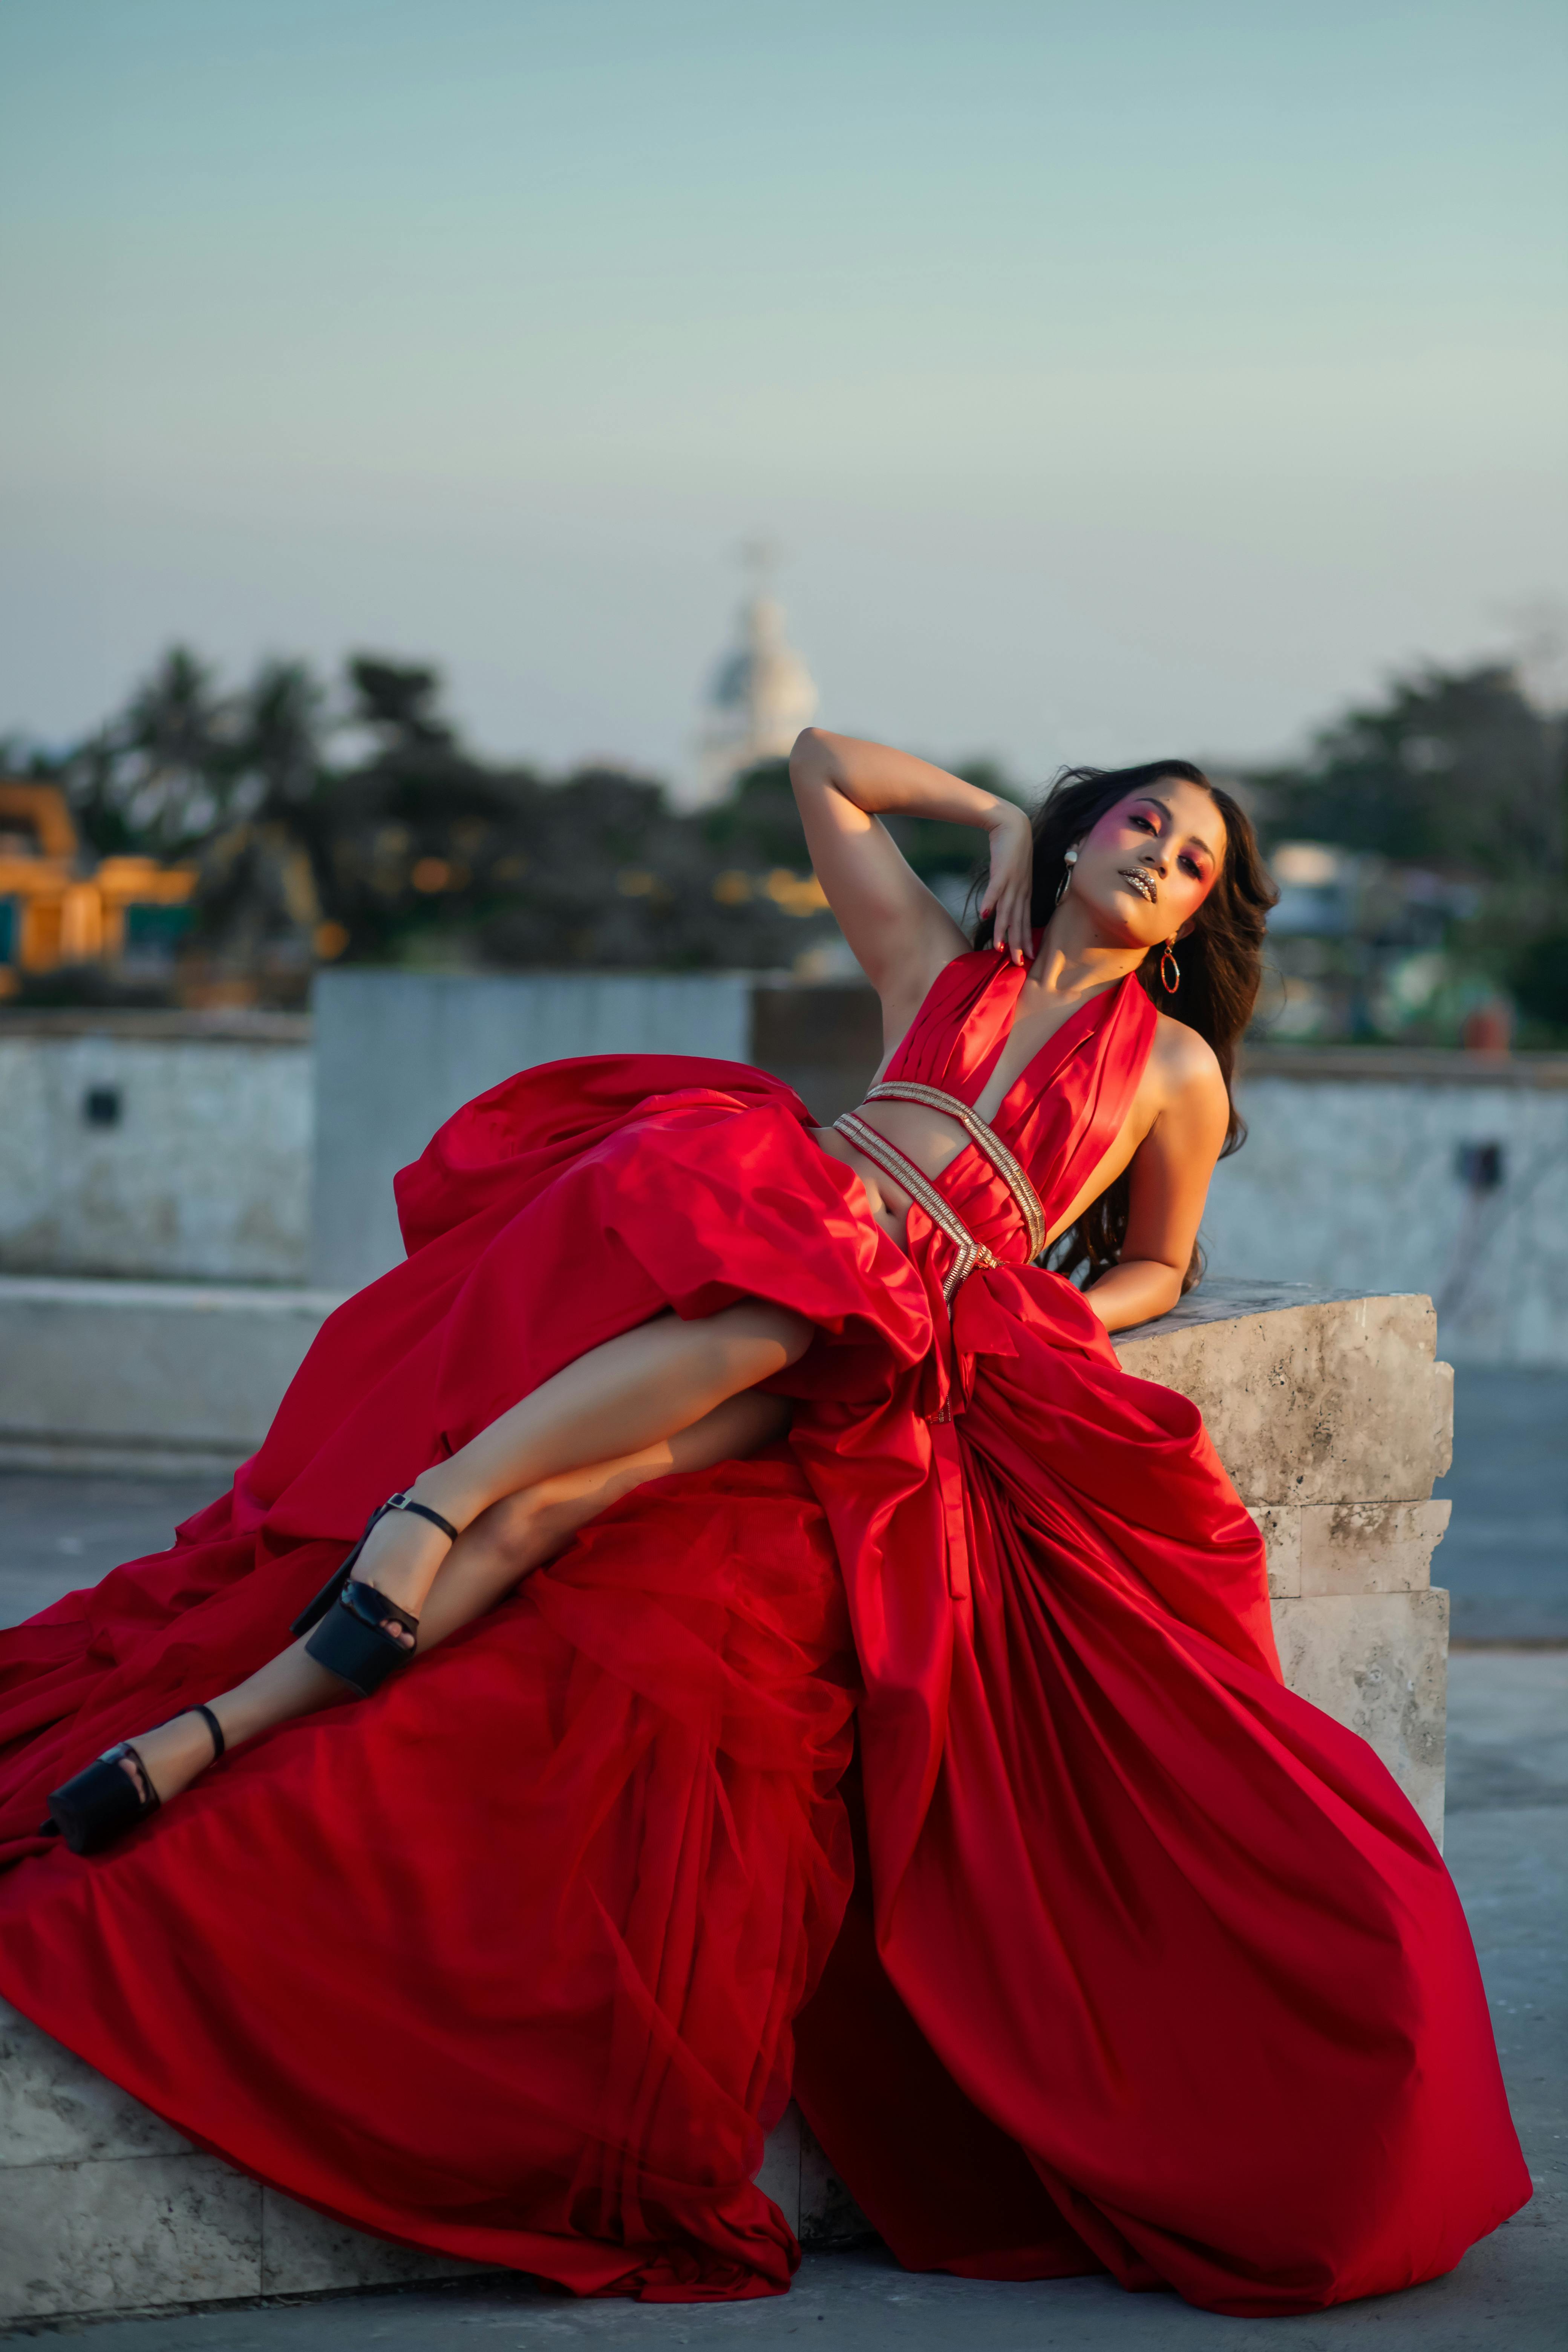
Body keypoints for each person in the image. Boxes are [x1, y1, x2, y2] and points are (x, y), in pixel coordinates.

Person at [0, 737, 1528, 2314]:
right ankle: (212, 1729)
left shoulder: (1173, 1071)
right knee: (578, 1493)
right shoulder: (935, 961)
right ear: (1078, 840)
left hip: (906, 1334)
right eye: (1139, 822)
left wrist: (1031, 1308)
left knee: (628, 1461)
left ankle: (418, 1517)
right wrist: (992, 809)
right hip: (791, 1263)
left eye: (1192, 859)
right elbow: (820, 768)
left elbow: (1158, 1267)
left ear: (1201, 910)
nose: (1157, 858)